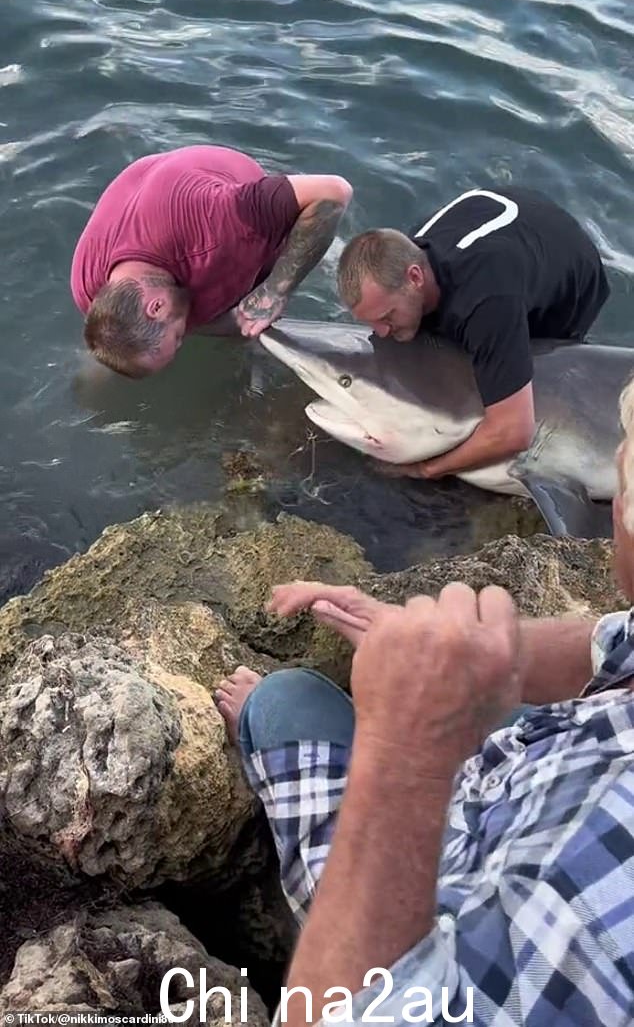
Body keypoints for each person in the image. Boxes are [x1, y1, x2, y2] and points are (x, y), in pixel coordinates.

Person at [212, 375, 634, 1026]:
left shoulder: (582, 902)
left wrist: (404, 753)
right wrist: (455, 653)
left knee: (281, 702)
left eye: (623, 478)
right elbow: (612, 646)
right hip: (542, 770)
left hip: (445, 907)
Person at [336, 186, 610, 480]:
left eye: (387, 316)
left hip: (570, 270)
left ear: (415, 277)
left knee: (537, 376)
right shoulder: (406, 257)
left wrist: (426, 469)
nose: (380, 332)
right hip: (513, 221)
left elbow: (515, 434)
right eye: (370, 321)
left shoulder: (487, 303)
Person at [70, 144, 352, 377]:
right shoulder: (86, 288)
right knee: (233, 329)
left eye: (179, 339)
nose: (183, 341)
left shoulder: (218, 219)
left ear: (156, 306)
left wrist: (276, 290)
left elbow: (333, 192)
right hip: (150, 182)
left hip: (216, 187)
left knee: (257, 311)